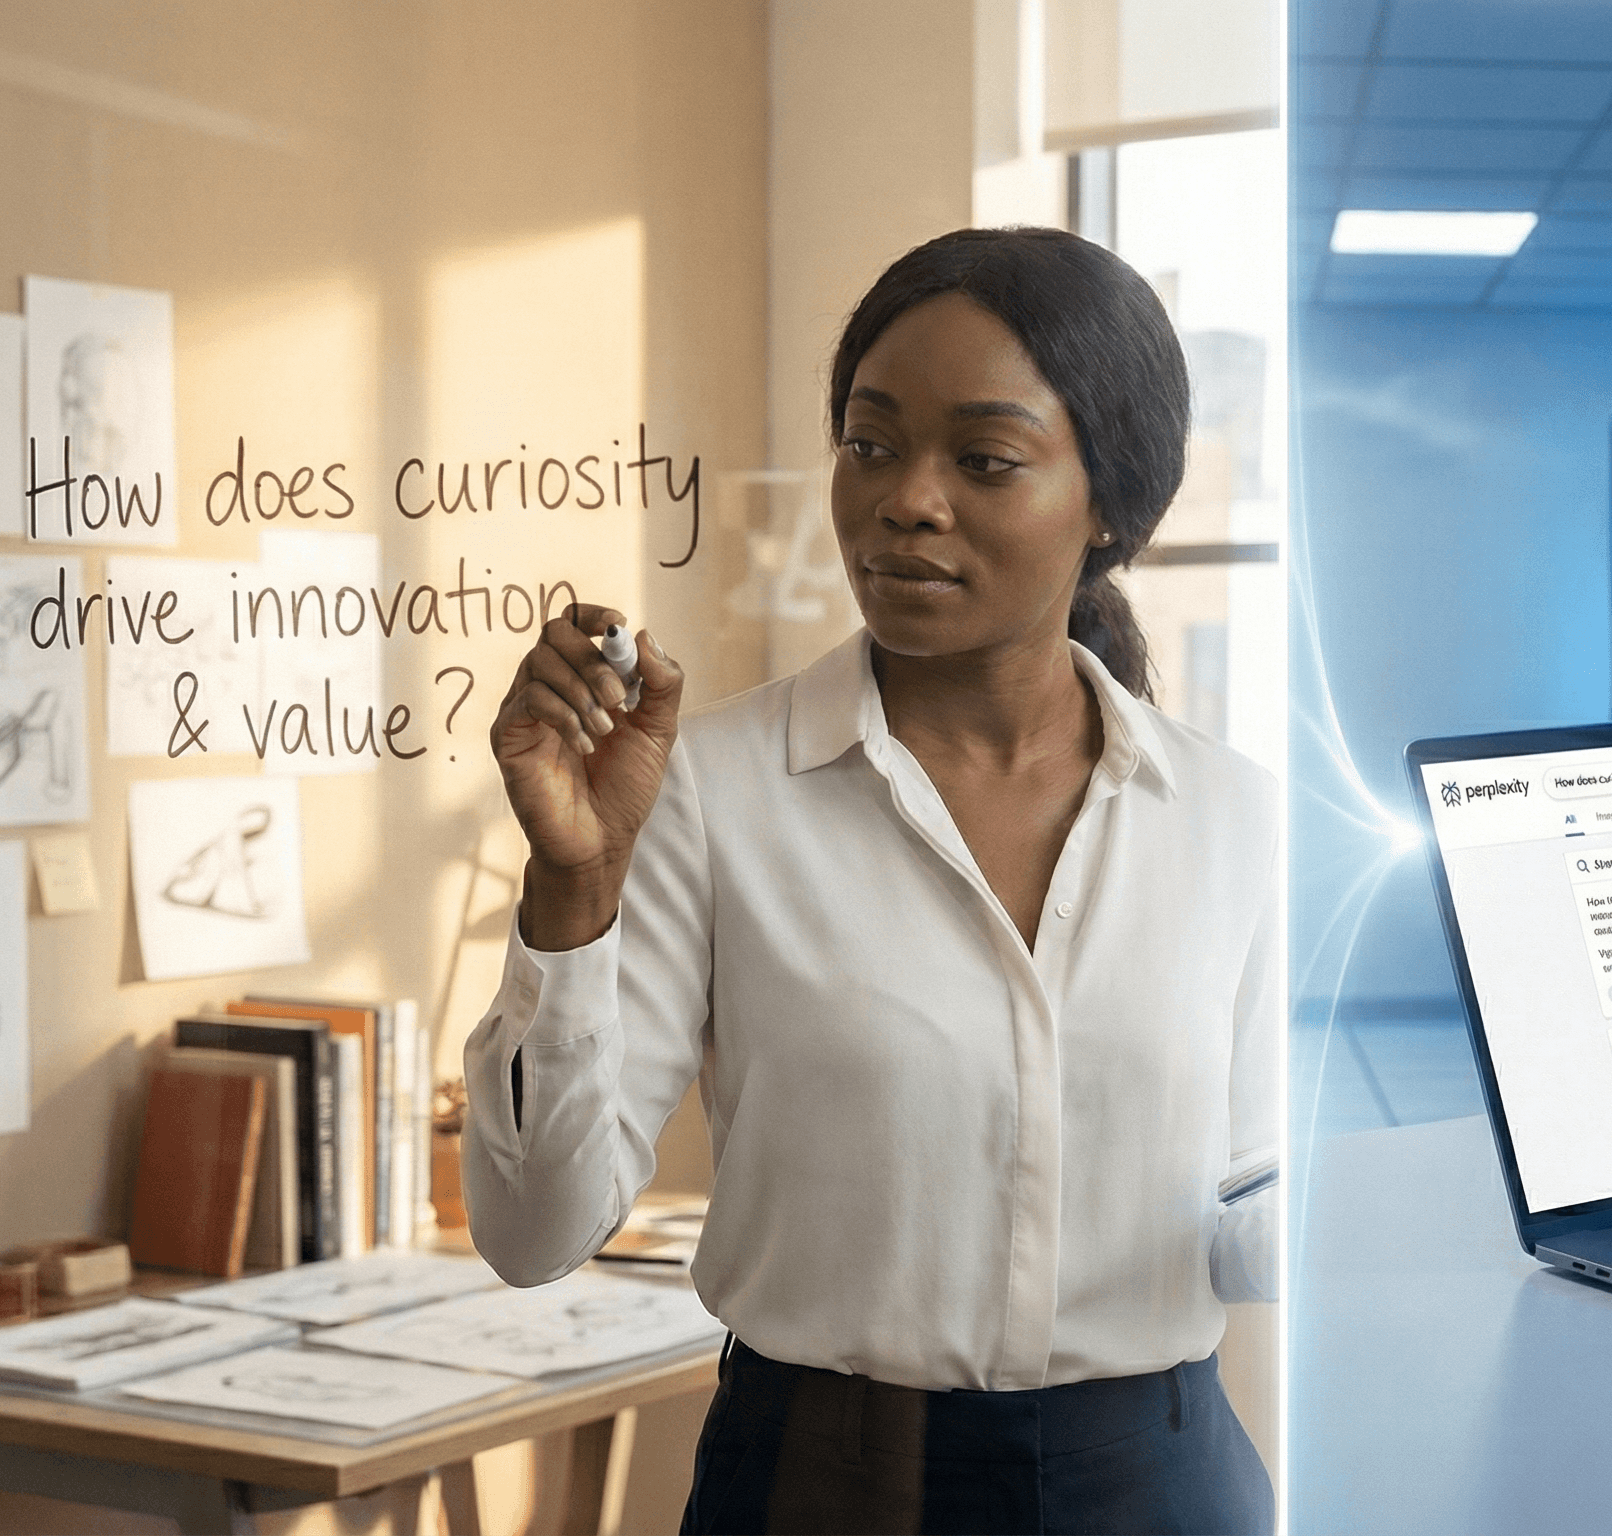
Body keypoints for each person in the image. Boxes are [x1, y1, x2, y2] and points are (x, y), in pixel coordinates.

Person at [460, 226, 1278, 1536]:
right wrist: (573, 893)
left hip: (1158, 1483)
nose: (904, 498)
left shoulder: (1233, 821)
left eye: (985, 460)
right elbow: (530, 1230)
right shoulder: (711, 790)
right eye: (871, 442)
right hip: (822, 1489)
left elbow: (1253, 1209)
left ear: (1111, 501)